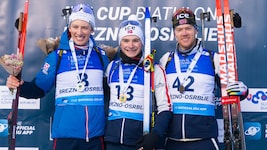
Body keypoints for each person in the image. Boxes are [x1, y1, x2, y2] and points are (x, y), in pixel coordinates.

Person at [6, 3, 109, 150]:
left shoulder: (101, 56)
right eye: (75, 27)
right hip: (65, 138)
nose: (79, 32)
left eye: (84, 27)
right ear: (69, 28)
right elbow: (38, 89)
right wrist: (19, 85)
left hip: (94, 138)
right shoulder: (57, 57)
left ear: (91, 29)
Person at [159, 7, 248, 150]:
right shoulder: (166, 60)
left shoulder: (213, 59)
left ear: (196, 30)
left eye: (188, 28)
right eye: (179, 29)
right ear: (174, 33)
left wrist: (243, 91)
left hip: (203, 140)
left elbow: (232, 90)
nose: (184, 33)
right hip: (172, 140)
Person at [104, 15, 172, 150]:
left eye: (135, 40)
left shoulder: (154, 70)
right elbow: (104, 100)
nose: (130, 45)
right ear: (120, 43)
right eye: (126, 40)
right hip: (112, 142)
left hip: (140, 143)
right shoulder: (112, 67)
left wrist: (155, 135)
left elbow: (166, 108)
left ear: (142, 42)